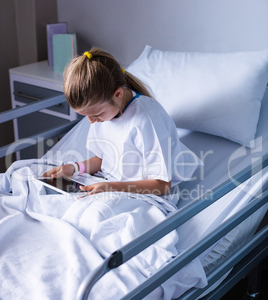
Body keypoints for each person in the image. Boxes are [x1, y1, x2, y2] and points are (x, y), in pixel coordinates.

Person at [43, 47, 196, 201]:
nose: (91, 121)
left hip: (143, 194)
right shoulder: (104, 115)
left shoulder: (146, 121)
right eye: (87, 116)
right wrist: (75, 168)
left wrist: (111, 188)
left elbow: (162, 185)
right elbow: (103, 159)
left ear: (117, 94)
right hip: (108, 182)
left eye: (96, 115)